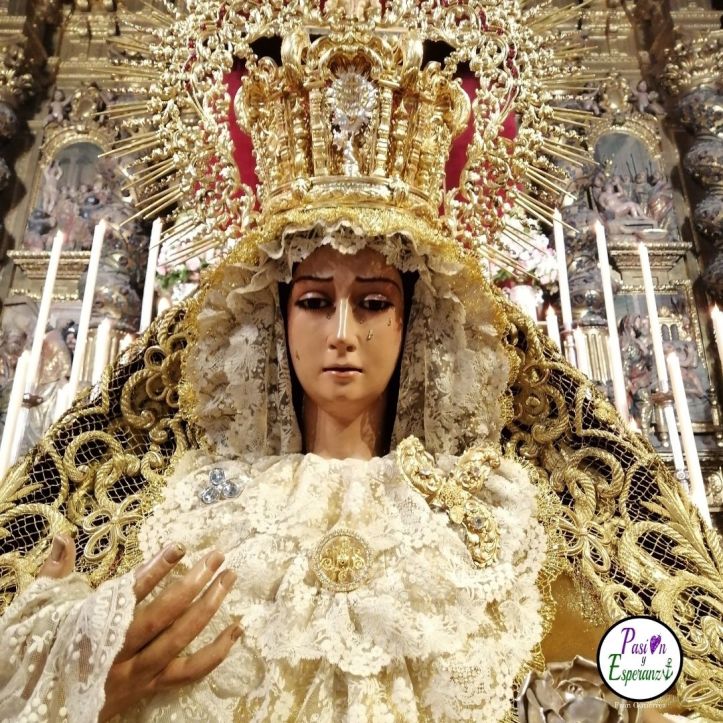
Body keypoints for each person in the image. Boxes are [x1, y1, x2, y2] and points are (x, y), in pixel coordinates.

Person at [1, 1, 722, 721]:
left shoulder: (504, 514)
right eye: (315, 301)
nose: (342, 332)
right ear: (275, 320)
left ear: (418, 322)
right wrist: (76, 671)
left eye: (374, 302)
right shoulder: (179, 504)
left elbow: (652, 682)